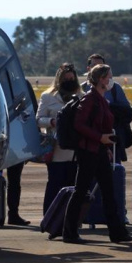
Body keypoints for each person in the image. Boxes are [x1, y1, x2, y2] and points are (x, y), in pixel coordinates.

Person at [62, 64, 132, 244]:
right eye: (109, 76)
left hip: (99, 152)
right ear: (102, 79)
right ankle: (69, 232)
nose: (111, 79)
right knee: (81, 191)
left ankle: (117, 232)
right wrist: (100, 138)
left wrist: (105, 147)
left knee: (109, 193)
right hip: (88, 152)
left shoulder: (102, 99)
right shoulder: (90, 99)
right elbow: (79, 125)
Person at [36, 63, 82, 214]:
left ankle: (70, 217)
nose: (69, 80)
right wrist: (52, 122)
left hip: (76, 147)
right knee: (55, 183)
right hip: (56, 147)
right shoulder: (48, 96)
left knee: (73, 184)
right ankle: (49, 216)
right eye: (66, 78)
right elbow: (38, 119)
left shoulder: (81, 95)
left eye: (71, 78)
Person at [81, 54, 132, 165]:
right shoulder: (82, 88)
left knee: (113, 174)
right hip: (90, 140)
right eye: (95, 65)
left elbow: (127, 112)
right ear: (88, 69)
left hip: (112, 139)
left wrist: (109, 107)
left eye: (101, 65)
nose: (99, 68)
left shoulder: (115, 87)